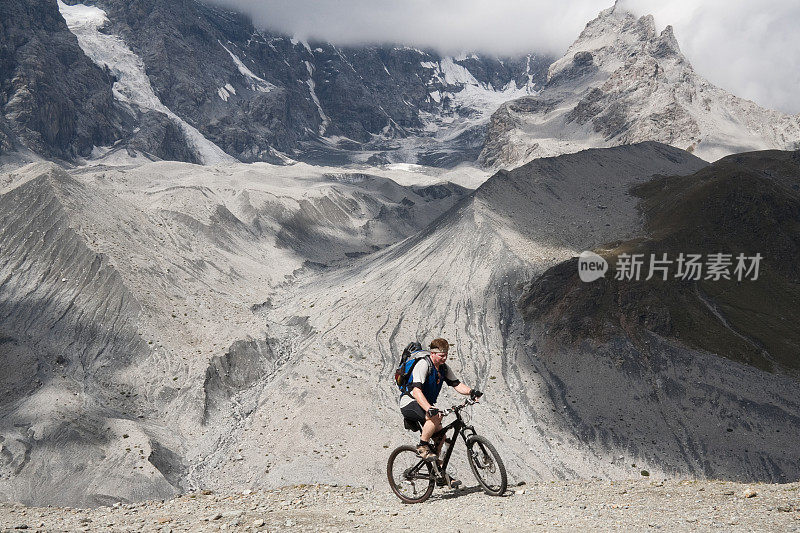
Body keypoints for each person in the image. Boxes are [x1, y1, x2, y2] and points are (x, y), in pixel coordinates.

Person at [399, 338, 482, 462]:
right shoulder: (423, 364)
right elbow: (416, 391)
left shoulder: (443, 368)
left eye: (446, 355)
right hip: (410, 402)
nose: (444, 358)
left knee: (441, 438)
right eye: (442, 355)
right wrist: (429, 408)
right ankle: (422, 446)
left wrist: (471, 392)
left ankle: (438, 473)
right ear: (432, 353)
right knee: (435, 416)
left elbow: (456, 384)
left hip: (424, 404)